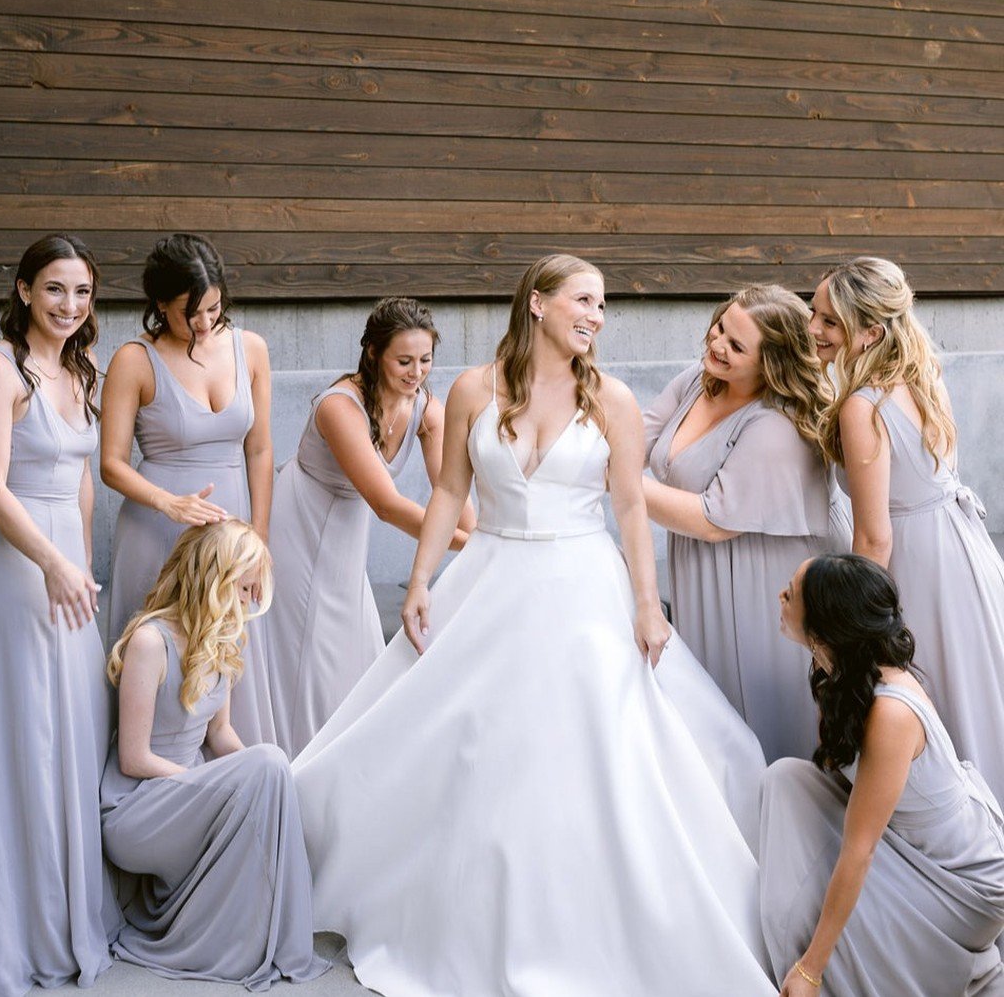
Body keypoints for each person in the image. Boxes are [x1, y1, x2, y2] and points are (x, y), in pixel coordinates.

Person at [292, 255, 777, 997]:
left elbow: (630, 510)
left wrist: (648, 605)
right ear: (539, 305)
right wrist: (420, 578)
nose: (597, 315)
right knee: (465, 741)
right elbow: (452, 486)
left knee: (594, 751)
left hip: (584, 587)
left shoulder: (610, 398)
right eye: (585, 299)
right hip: (490, 576)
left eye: (604, 305)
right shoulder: (470, 389)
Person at [0, 233, 120, 997]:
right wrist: (49, 563)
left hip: (66, 569)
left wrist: (82, 564)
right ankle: (16, 930)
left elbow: (81, 481)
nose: (69, 305)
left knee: (74, 734)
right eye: (55, 289)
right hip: (11, 565)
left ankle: (67, 913)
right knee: (24, 735)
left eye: (82, 292)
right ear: (22, 290)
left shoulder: (84, 369)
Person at [810, 254, 1004, 814]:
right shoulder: (922, 371)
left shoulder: (861, 407)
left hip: (922, 567)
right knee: (980, 696)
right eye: (814, 312)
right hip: (966, 552)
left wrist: (847, 627)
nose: (814, 329)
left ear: (870, 330)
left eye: (829, 321)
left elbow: (874, 538)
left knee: (940, 703)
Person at [762, 553, 1004, 997]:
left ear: (822, 629)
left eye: (791, 593)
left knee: (831, 906)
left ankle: (827, 965)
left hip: (963, 880)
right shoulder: (843, 675)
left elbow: (860, 850)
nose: (781, 596)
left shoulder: (890, 713)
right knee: (787, 782)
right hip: (912, 842)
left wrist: (812, 970)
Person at [101, 518, 329, 989]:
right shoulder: (151, 641)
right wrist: (222, 783)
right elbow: (133, 759)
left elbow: (221, 735)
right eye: (244, 590)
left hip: (188, 793)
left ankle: (258, 936)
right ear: (215, 580)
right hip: (138, 807)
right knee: (266, 765)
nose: (248, 604)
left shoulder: (221, 640)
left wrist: (265, 781)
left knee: (272, 768)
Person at [265, 295, 474, 756]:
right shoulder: (340, 407)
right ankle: (296, 763)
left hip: (346, 535)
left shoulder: (425, 407)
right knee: (307, 650)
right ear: (374, 353)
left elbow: (452, 490)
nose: (416, 372)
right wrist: (467, 545)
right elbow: (387, 504)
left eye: (425, 360)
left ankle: (337, 763)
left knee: (349, 650)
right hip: (300, 523)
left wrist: (481, 537)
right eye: (404, 360)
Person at [641, 284, 842, 762]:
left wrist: (615, 482)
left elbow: (713, 519)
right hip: (702, 567)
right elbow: (638, 431)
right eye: (719, 328)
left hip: (759, 579)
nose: (717, 346)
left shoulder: (777, 424)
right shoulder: (699, 379)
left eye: (736, 346)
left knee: (750, 707)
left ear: (772, 362)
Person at [101, 232, 275, 744]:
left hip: (232, 531)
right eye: (188, 313)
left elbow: (260, 450)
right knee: (155, 657)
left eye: (214, 309)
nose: (203, 323)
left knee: (229, 649)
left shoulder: (252, 349)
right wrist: (166, 502)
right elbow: (111, 463)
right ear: (159, 305)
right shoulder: (135, 359)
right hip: (157, 527)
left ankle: (233, 775)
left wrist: (257, 540)